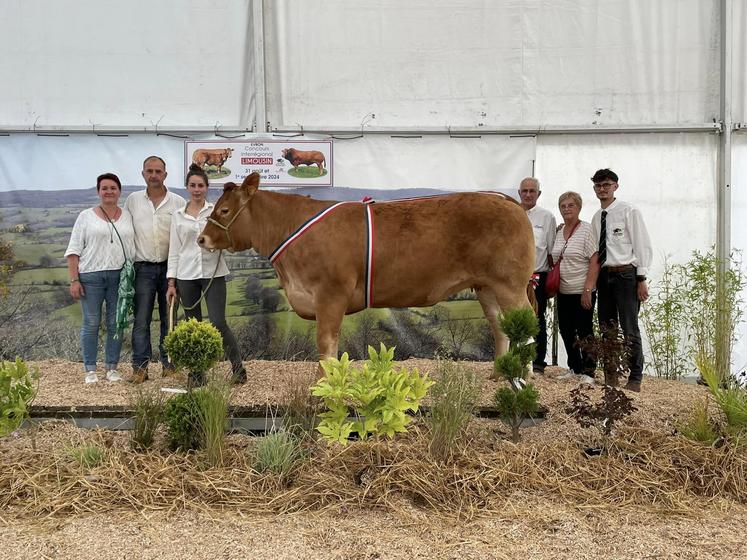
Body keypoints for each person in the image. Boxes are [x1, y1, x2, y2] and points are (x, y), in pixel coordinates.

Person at [166, 164, 246, 385]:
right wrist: (171, 282)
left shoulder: (215, 211)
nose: (197, 189)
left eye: (201, 185)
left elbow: (229, 240)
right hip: (186, 275)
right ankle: (198, 373)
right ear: (187, 188)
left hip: (214, 273)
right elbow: (174, 250)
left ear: (207, 188)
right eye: (192, 185)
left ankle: (238, 368)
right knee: (194, 325)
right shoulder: (178, 216)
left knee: (218, 322)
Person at [65, 173, 135, 384]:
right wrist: (74, 280)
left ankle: (112, 368)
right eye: (104, 188)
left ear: (119, 191)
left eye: (113, 188)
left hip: (119, 277)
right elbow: (73, 251)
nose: (109, 192)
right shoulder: (85, 216)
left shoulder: (128, 216)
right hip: (91, 276)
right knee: (92, 322)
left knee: (116, 323)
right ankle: (90, 370)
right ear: (98, 191)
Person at [124, 156, 186, 383]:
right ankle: (140, 369)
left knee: (169, 319)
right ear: (143, 174)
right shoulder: (132, 201)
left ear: (165, 175)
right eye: (149, 171)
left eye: (158, 171)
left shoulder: (178, 202)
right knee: (141, 320)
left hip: (171, 271)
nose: (153, 175)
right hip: (143, 270)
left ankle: (169, 366)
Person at [589, 169, 652, 392]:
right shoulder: (597, 218)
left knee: (629, 328)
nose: (602, 189)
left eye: (606, 185)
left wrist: (641, 278)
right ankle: (611, 375)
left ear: (616, 186)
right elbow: (597, 252)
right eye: (598, 185)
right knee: (607, 329)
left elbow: (642, 244)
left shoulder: (629, 211)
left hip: (627, 275)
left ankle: (635, 378)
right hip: (606, 276)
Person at [550, 192, 598, 383]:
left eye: (571, 205)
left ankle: (589, 371)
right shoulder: (559, 232)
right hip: (564, 291)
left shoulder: (586, 230)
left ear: (578, 208)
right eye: (563, 206)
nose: (567, 209)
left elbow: (594, 260)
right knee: (566, 330)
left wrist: (588, 289)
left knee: (585, 330)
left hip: (581, 290)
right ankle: (575, 367)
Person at [518, 177, 556, 374]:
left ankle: (538, 362)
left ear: (538, 194)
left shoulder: (546, 217)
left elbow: (551, 250)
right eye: (525, 191)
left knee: (537, 318)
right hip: (513, 278)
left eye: (532, 191)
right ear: (519, 193)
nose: (528, 194)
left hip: (536, 276)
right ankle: (516, 360)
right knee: (513, 318)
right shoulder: (511, 215)